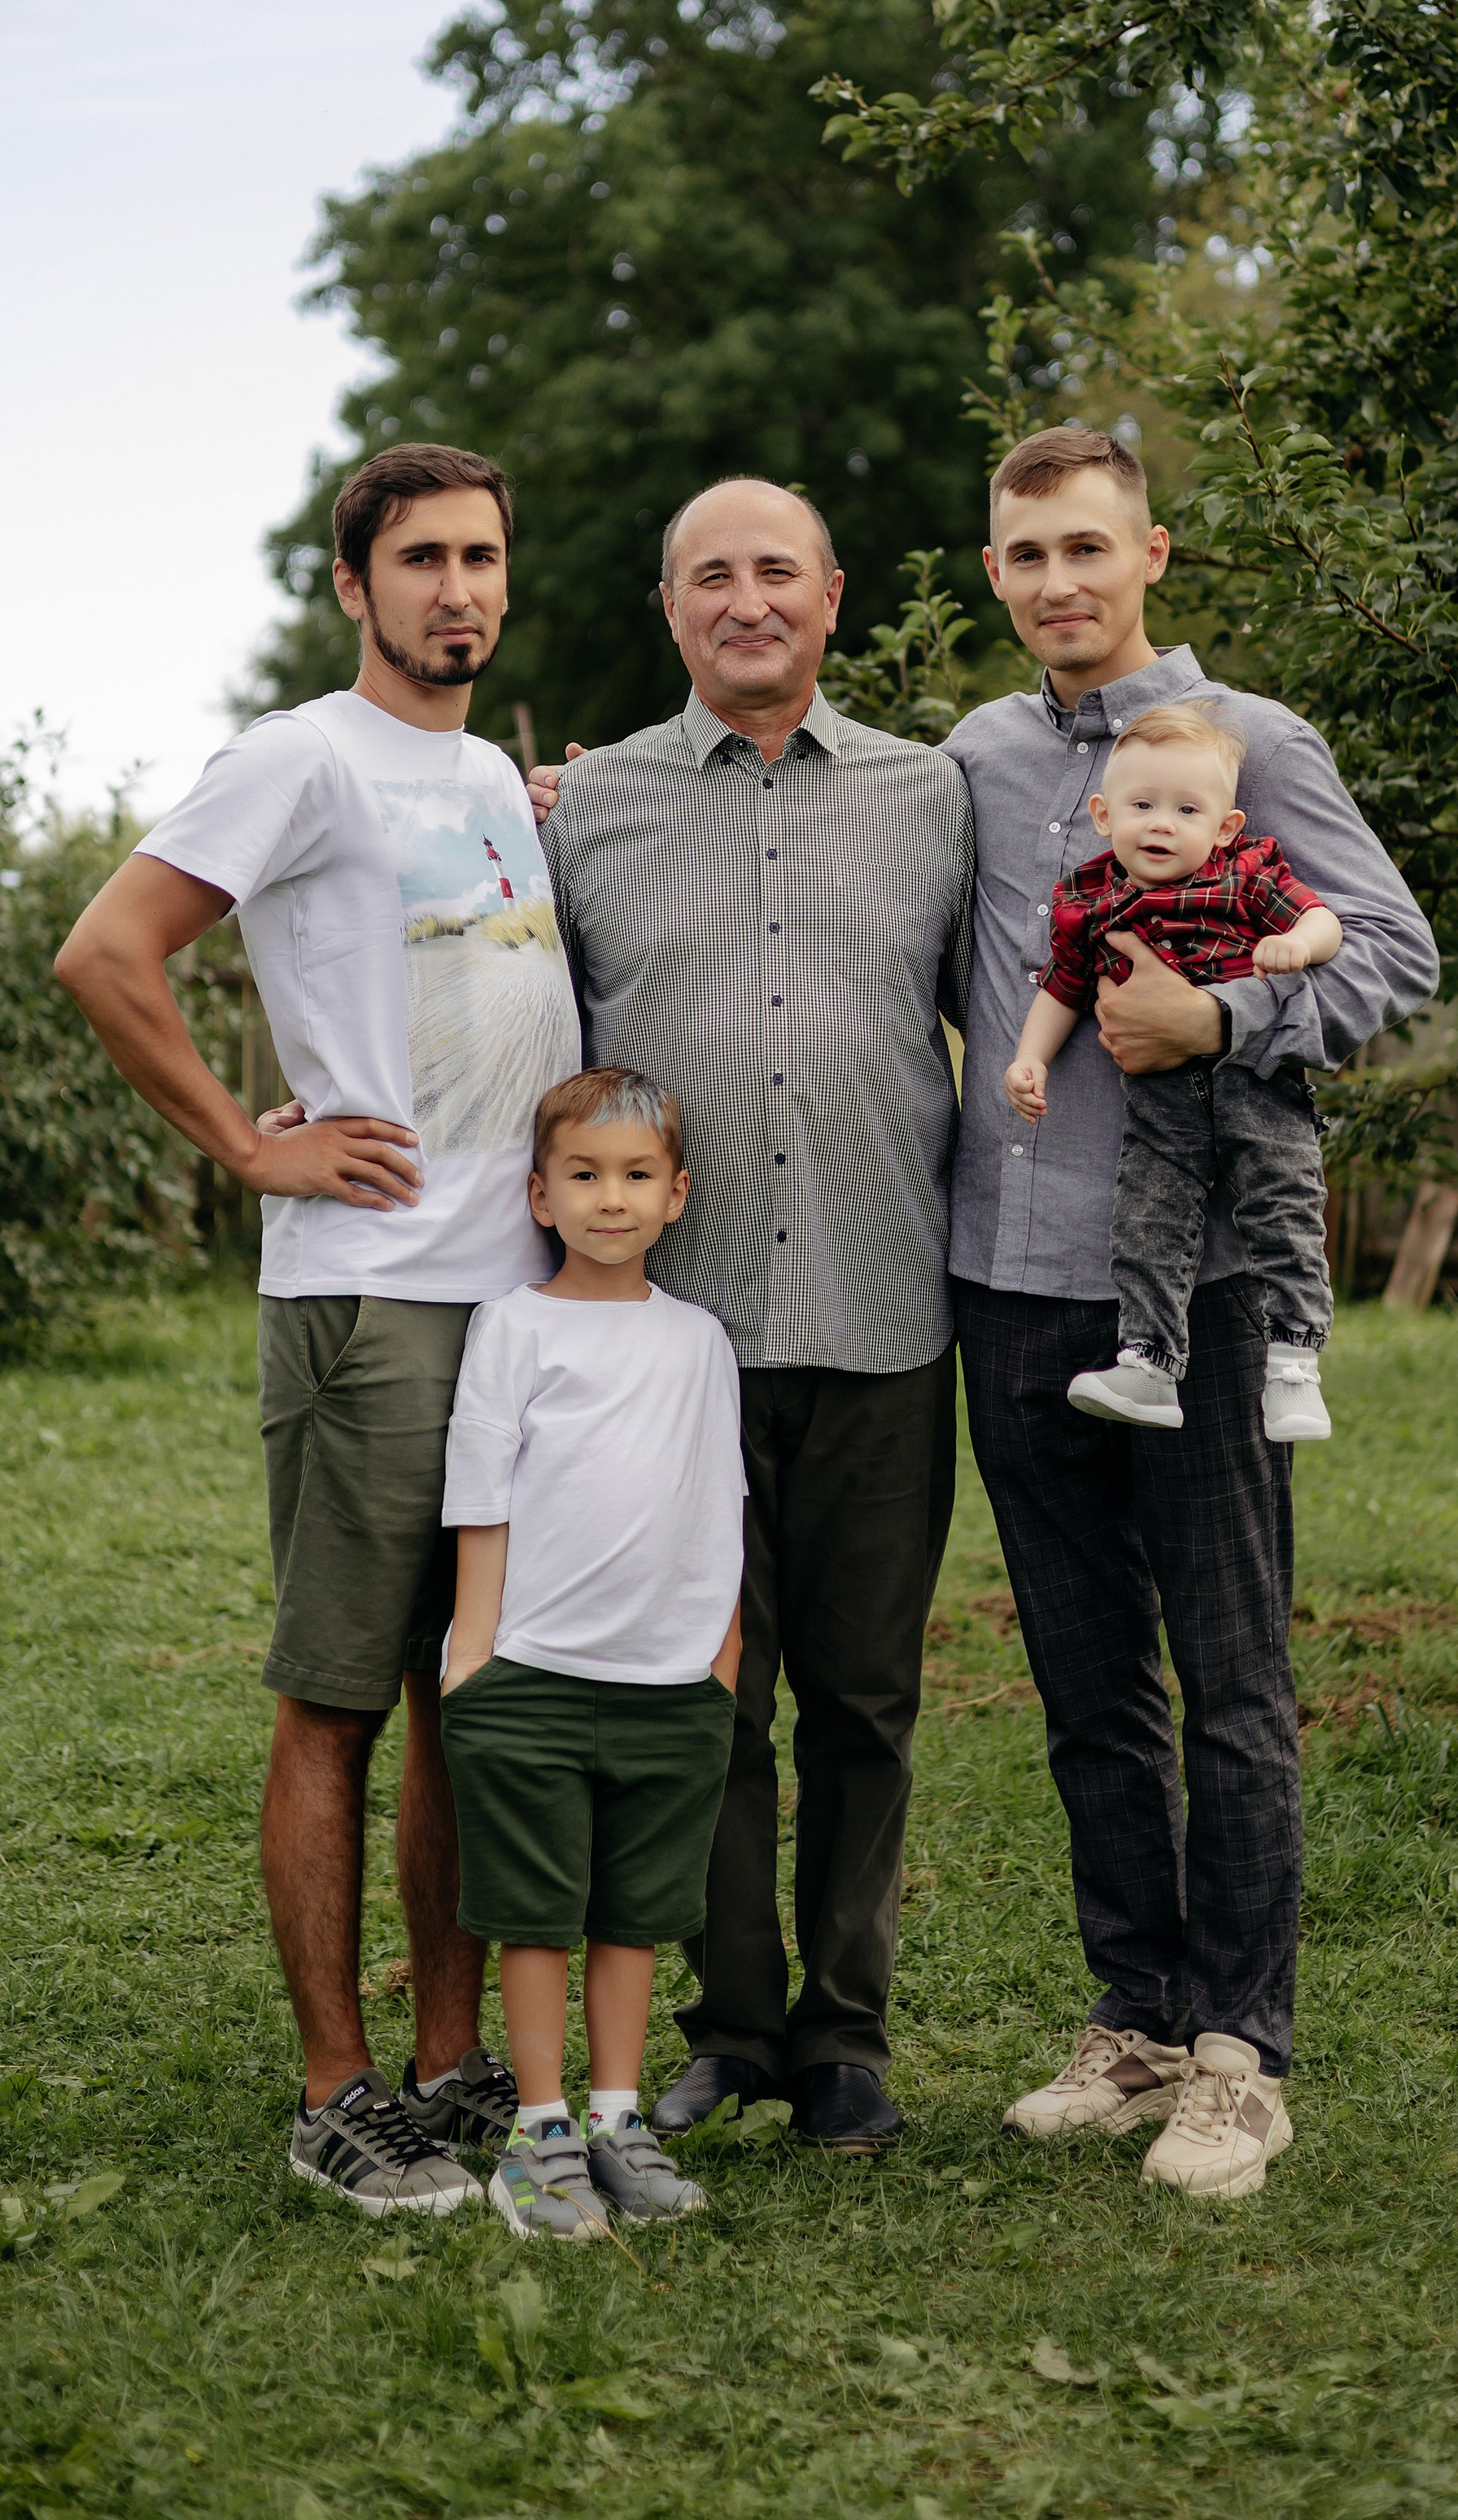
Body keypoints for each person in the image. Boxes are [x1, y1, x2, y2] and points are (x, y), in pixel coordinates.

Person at [55, 441, 580, 2215]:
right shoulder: (295, 756)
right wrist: (243, 1144)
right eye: (421, 559)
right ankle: (332, 2088)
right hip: (371, 1302)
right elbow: (109, 952)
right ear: (352, 588)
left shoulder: (495, 772)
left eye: (482, 557)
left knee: (465, 1697)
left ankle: (446, 2066)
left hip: (516, 1308)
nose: (458, 589)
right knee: (336, 1701)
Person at [942, 423, 1437, 2202]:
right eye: (1024, 556)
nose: (1058, 581)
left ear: (1152, 553)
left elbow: (1388, 951)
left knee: (1229, 1676)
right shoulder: (976, 761)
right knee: (1086, 1686)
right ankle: (1134, 2020)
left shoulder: (1252, 749)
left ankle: (1240, 2055)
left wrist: (1223, 1024)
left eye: (1088, 546)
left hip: (1205, 1288)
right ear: (993, 575)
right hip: (1009, 1280)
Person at [528, 476, 972, 2159]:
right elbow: (530, 1041)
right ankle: (731, 2027)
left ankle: (845, 2041)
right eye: (707, 577)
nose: (745, 600)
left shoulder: (933, 799)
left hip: (882, 1307)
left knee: (864, 1700)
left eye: (774, 571)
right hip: (675, 1341)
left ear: (831, 596)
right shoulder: (586, 811)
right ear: (668, 614)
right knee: (705, 1704)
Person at [439, 1066, 744, 2243]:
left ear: (677, 1195)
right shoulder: (514, 1327)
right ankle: (541, 2132)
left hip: (671, 1683)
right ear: (539, 1193)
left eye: (634, 1176)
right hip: (534, 1676)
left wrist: (721, 1653)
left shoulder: (700, 1342)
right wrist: (477, 1647)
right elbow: (483, 1485)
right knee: (539, 1912)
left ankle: (619, 2121)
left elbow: (723, 1499)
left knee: (634, 1912)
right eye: (583, 1176)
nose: (608, 1199)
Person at [1004, 700, 1344, 1442]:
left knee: (1283, 1211)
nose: (1161, 823)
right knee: (1148, 1222)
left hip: (1255, 1081)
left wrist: (1301, 946)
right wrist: (1029, 1058)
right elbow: (1061, 987)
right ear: (1103, 814)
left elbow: (1324, 920)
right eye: (1142, 805)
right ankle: (1150, 1363)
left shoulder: (1246, 878)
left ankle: (1294, 1367)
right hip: (1160, 1098)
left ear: (1223, 827)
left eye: (1186, 809)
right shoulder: (1092, 901)